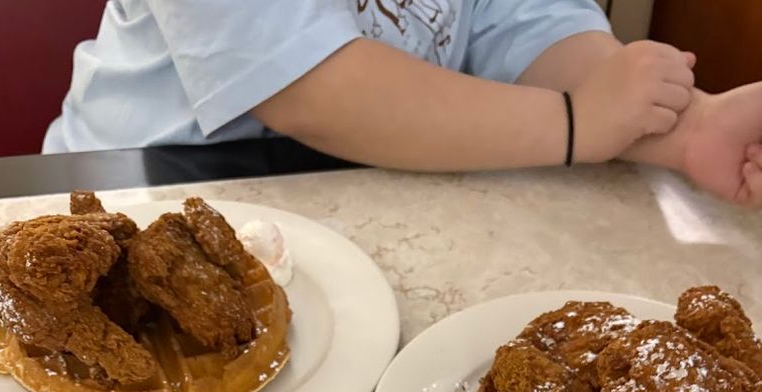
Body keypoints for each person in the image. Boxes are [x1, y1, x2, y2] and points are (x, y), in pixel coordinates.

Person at [44, 0, 762, 206]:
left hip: (370, 191)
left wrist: (681, 126)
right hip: (135, 192)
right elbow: (316, 92)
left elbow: (531, 25)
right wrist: (580, 123)